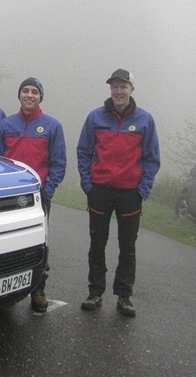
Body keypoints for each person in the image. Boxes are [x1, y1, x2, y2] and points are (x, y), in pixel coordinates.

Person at [76, 68, 160, 317]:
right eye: (114, 86)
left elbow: (152, 158)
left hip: (129, 194)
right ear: (110, 89)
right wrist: (87, 185)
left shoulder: (145, 120)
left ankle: (124, 296)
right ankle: (95, 292)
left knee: (128, 247)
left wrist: (142, 190)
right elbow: (83, 152)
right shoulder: (95, 117)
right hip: (99, 191)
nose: (118, 91)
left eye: (123, 86)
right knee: (97, 243)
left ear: (131, 89)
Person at [0, 77, 66, 313]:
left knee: (39, 243)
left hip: (38, 197)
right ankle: (3, 290)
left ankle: (38, 288)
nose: (29, 95)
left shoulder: (52, 126)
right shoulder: (6, 125)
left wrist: (48, 191)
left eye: (34, 92)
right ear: (19, 95)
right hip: (10, 197)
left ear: (40, 97)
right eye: (25, 91)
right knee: (5, 240)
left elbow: (58, 163)